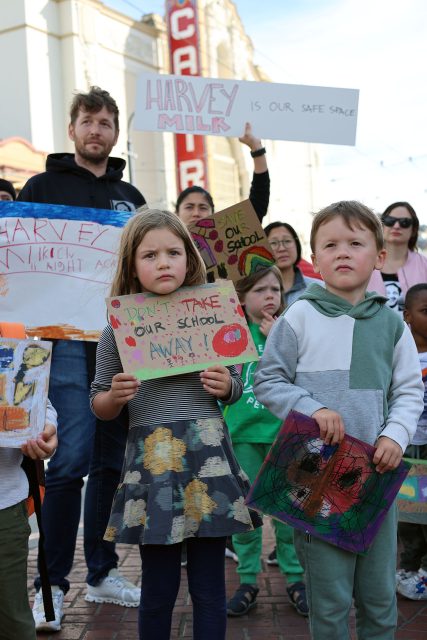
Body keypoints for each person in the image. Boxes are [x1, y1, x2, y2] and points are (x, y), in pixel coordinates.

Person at [254, 200, 424, 639]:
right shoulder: (299, 317)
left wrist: (396, 434)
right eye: (330, 244)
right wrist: (314, 408)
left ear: (379, 257)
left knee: (379, 599)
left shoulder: (393, 325)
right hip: (315, 483)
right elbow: (269, 381)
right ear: (315, 257)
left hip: (377, 479)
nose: (342, 252)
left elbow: (408, 391)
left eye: (355, 243)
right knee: (328, 604)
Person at [90, 208, 261, 640]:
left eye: (172, 252)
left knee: (208, 586)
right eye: (149, 255)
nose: (163, 262)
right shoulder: (117, 329)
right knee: (159, 587)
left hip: (209, 461)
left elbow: (236, 383)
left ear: (190, 258)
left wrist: (226, 386)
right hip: (153, 466)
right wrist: (115, 395)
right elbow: (99, 403)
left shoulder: (216, 314)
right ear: (132, 265)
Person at [18, 86, 145, 631]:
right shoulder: (40, 186)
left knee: (111, 465)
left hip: (121, 340)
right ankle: (50, 586)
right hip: (64, 340)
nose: (96, 130)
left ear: (116, 133)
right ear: (72, 129)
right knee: (68, 463)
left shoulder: (133, 198)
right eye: (87, 121)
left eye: (106, 123)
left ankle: (101, 571)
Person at [222, 266, 309, 617]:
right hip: (242, 436)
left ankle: (295, 577)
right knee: (245, 513)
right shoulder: (230, 335)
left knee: (287, 513)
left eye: (276, 289)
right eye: (260, 290)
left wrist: (280, 341)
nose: (270, 295)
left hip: (283, 437)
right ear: (241, 299)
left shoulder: (290, 333)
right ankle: (247, 579)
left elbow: (304, 379)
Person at [0, 324, 57, 640]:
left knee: (11, 617)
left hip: (4, 506)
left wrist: (46, 428)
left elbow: (38, 399)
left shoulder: (8, 328)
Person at [396, 284, 427, 600]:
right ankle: (407, 567)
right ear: (407, 316)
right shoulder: (400, 355)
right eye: (425, 311)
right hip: (407, 446)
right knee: (408, 513)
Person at [175, 122, 269, 225]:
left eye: (203, 207)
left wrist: (257, 149)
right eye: (189, 207)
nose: (196, 213)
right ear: (176, 214)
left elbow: (257, 206)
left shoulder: (224, 239)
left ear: (213, 214)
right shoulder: (163, 239)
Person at [368, 202, 427, 315]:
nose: (396, 226)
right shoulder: (364, 261)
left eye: (404, 222)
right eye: (390, 220)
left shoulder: (424, 265)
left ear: (413, 230)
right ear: (382, 225)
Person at [264, 221, 321, 306]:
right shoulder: (253, 292)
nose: (282, 248)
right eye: (273, 243)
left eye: (287, 241)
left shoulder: (319, 289)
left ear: (297, 244)